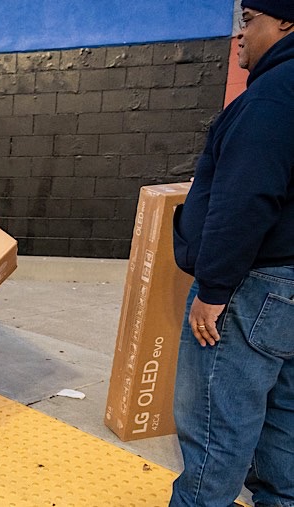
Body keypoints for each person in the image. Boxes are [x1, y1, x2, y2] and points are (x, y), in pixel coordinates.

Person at [170, 1, 294, 505]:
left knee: (215, 430)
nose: (239, 36)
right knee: (284, 421)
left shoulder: (271, 97)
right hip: (287, 288)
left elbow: (244, 198)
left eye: (249, 21)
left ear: (286, 21)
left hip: (253, 286)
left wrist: (214, 290)